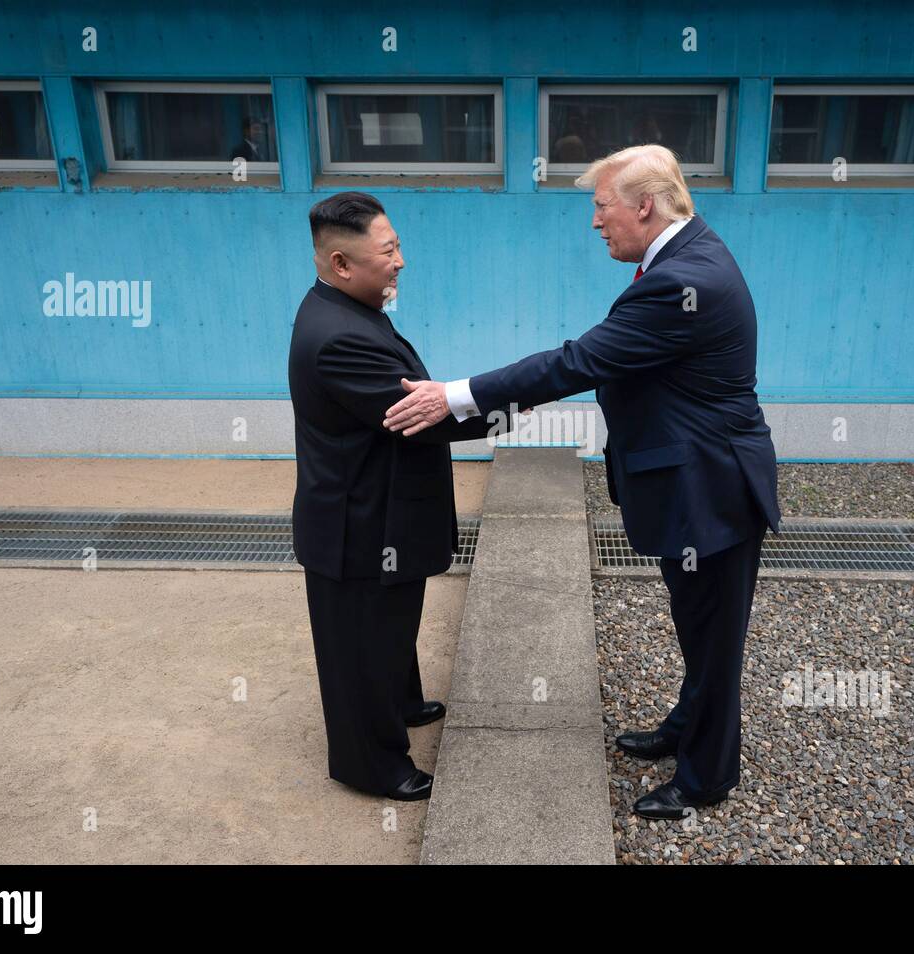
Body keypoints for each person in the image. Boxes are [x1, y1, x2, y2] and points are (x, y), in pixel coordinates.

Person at [381, 145, 780, 819]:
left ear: (644, 206)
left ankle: (707, 775)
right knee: (698, 626)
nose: (596, 223)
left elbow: (582, 359)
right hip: (697, 482)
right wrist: (529, 394)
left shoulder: (685, 281)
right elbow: (612, 359)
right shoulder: (685, 259)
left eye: (601, 207)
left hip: (710, 490)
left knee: (713, 637)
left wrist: (455, 395)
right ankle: (688, 726)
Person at [287, 192, 507, 801]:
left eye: (398, 245)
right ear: (340, 263)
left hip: (380, 510)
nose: (400, 261)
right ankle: (373, 765)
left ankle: (401, 703)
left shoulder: (352, 307)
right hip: (358, 526)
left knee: (390, 629)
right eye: (388, 252)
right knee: (362, 648)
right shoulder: (338, 336)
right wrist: (513, 399)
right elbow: (423, 417)